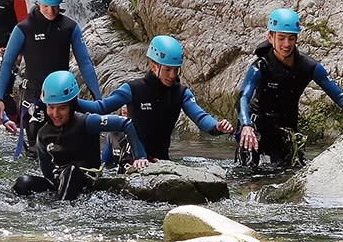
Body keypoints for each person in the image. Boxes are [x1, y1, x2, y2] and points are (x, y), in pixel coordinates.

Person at [237, 7, 343, 169]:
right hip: (255, 128)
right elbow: (243, 97)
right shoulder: (259, 67)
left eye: (291, 38)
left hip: (287, 130)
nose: (287, 44)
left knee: (289, 172)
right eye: (282, 38)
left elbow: (340, 96)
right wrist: (246, 124)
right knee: (249, 173)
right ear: (270, 37)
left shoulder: (308, 67)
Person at [80, 35, 234, 162]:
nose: (172, 75)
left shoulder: (181, 93)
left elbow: (200, 117)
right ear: (153, 66)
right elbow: (100, 108)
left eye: (176, 70)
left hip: (160, 160)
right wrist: (70, 103)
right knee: (114, 135)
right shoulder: (133, 89)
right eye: (168, 70)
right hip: (130, 159)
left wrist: (217, 126)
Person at [0, 0, 101, 145]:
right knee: (36, 145)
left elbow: (85, 63)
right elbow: (7, 63)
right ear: (38, 1)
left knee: (67, 145)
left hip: (63, 96)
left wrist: (98, 99)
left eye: (56, 6)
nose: (51, 11)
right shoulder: (24, 28)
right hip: (34, 96)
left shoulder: (70, 27)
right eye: (47, 6)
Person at [14, 70, 148, 201]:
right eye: (51, 107)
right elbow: (47, 173)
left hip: (86, 182)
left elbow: (125, 124)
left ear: (72, 106)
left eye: (62, 108)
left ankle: (59, 213)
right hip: (60, 183)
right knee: (22, 182)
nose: (55, 114)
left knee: (71, 171)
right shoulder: (43, 134)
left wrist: (140, 156)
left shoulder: (87, 122)